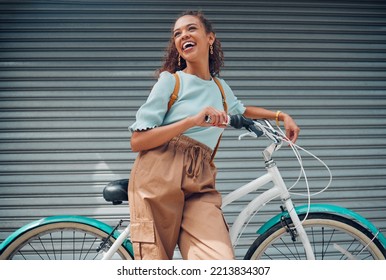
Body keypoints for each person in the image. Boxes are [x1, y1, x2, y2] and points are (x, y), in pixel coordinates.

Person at [128, 10, 300, 260]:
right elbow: (138, 141)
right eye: (177, 33)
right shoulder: (171, 82)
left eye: (191, 29)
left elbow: (242, 110)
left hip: (200, 181)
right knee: (155, 265)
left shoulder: (220, 88)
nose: (183, 35)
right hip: (157, 177)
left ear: (210, 38)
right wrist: (190, 121)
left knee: (219, 261)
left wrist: (280, 116)